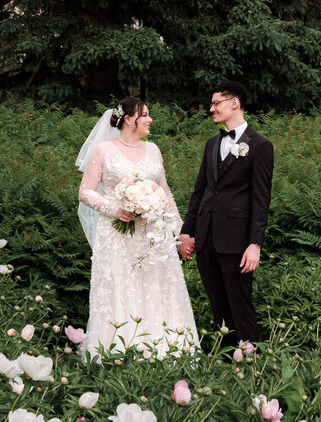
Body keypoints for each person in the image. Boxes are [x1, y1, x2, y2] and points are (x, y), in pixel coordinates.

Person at [76, 96, 198, 360]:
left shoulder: (153, 150)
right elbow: (85, 192)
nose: (150, 119)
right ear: (129, 119)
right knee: (122, 288)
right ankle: (119, 352)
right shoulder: (103, 151)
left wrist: (180, 232)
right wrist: (115, 208)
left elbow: (166, 194)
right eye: (145, 115)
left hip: (153, 237)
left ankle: (165, 351)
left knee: (157, 288)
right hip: (117, 236)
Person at [178, 85, 273, 349]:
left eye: (216, 103)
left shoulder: (261, 146)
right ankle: (227, 360)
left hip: (237, 241)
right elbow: (200, 191)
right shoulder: (212, 144)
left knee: (239, 304)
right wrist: (187, 232)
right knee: (218, 305)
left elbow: (261, 199)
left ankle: (250, 359)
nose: (211, 109)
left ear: (234, 103)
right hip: (207, 238)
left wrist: (255, 244)